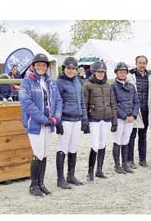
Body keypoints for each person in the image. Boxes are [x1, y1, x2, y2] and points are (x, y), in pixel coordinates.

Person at [19, 53, 62, 197]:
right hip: (35, 125)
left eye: (43, 65)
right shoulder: (27, 82)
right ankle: (33, 185)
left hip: (49, 124)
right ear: (33, 66)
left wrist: (56, 117)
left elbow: (58, 101)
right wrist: (44, 119)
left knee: (44, 153)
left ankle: (41, 183)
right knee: (37, 153)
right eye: (38, 64)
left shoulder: (51, 82)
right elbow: (27, 104)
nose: (41, 67)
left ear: (46, 67)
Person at [55, 57, 88, 189]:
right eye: (68, 68)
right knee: (63, 147)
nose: (71, 70)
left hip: (77, 119)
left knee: (73, 147)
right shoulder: (59, 83)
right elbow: (56, 102)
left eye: (73, 68)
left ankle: (71, 175)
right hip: (65, 119)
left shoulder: (78, 82)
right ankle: (60, 178)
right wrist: (58, 120)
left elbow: (82, 102)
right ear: (64, 69)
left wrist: (84, 118)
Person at [83, 61, 118, 181]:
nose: (101, 74)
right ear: (94, 72)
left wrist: (114, 120)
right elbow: (85, 104)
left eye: (103, 72)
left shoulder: (109, 86)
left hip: (106, 118)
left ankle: (99, 170)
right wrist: (85, 120)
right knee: (94, 144)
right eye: (99, 72)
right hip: (94, 119)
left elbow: (113, 103)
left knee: (103, 143)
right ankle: (90, 172)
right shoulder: (88, 86)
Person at [126, 55, 151, 168]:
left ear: (146, 64)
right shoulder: (130, 76)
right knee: (132, 136)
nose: (142, 65)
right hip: (134, 110)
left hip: (145, 110)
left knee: (143, 136)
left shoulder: (150, 77)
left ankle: (142, 159)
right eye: (140, 63)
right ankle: (129, 160)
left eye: (144, 63)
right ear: (136, 63)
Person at [112, 62, 140, 174]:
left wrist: (133, 115)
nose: (122, 74)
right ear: (116, 73)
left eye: (124, 72)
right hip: (120, 117)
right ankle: (117, 165)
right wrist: (124, 116)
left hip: (130, 118)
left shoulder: (131, 86)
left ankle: (125, 163)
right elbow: (113, 103)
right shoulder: (113, 87)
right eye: (120, 72)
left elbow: (136, 102)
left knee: (126, 140)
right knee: (118, 140)